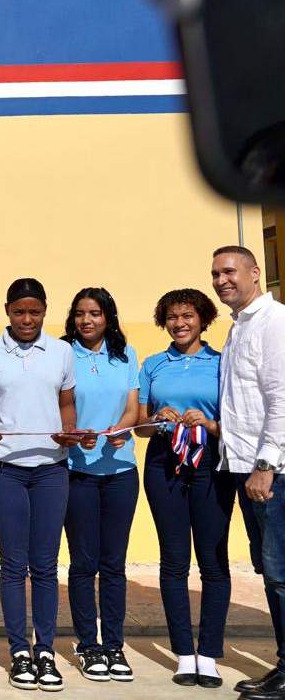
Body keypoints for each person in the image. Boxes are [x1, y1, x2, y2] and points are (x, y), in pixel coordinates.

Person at [0, 278, 79, 691]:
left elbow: (66, 404)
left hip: (52, 469)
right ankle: (20, 651)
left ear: (45, 312)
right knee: (14, 565)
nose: (27, 319)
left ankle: (46, 652)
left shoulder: (62, 351)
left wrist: (68, 431)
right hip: (5, 471)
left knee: (47, 565)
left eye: (35, 312)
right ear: (7, 311)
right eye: (20, 312)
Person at [136, 288, 229, 688]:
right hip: (163, 462)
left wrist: (208, 425)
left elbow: (237, 423)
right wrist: (158, 418)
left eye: (188, 316)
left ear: (202, 319)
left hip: (211, 463)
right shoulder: (153, 364)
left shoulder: (222, 363)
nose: (180, 324)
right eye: (172, 317)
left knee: (212, 560)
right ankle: (184, 654)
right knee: (173, 560)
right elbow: (139, 427)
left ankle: (208, 653)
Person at [210, 246, 285, 700]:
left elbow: (281, 397)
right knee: (270, 570)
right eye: (215, 273)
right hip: (243, 467)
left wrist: (266, 464)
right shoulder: (240, 328)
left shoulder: (273, 323)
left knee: (280, 572)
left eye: (230, 271)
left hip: (271, 472)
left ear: (255, 273)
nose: (221, 280)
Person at [59, 287, 140, 682]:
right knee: (83, 563)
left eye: (94, 313)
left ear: (108, 316)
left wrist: (120, 431)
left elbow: (132, 409)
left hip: (121, 472)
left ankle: (114, 645)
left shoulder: (126, 355)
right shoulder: (62, 354)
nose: (86, 320)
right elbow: (58, 406)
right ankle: (88, 645)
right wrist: (75, 434)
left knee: (113, 565)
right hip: (77, 472)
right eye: (79, 314)